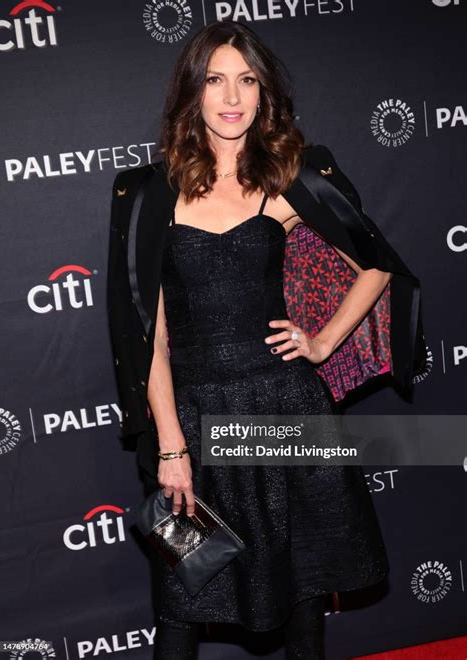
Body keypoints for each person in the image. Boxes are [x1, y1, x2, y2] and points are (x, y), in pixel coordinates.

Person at [106, 20, 425, 660]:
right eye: (216, 80)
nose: (232, 97)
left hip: (286, 407)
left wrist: (323, 342)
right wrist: (171, 445)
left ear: (264, 93)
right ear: (192, 93)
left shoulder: (291, 178)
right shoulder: (147, 195)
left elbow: (378, 263)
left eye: (247, 80)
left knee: (303, 589)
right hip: (195, 418)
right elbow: (150, 339)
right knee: (182, 601)